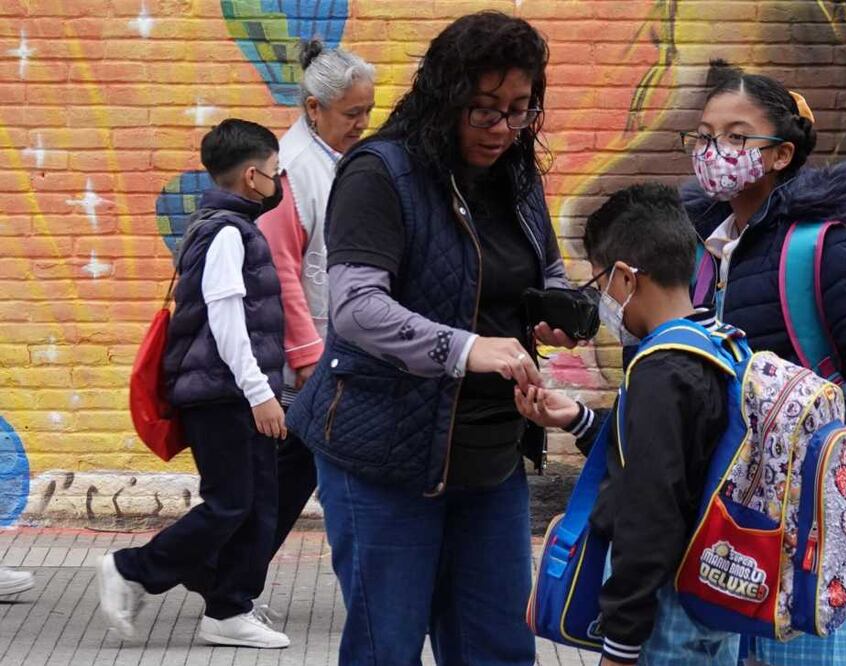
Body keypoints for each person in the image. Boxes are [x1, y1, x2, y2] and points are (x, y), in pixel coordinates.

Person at [286, 11, 574, 665]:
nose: (502, 128)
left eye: (519, 109)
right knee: (387, 648)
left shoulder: (519, 178)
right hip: (384, 457)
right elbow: (357, 308)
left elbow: (544, 272)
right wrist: (468, 347)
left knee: (498, 648)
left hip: (490, 457)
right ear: (444, 96)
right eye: (483, 110)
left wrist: (560, 310)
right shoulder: (380, 173)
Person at [680, 60, 846, 666]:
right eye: (706, 136)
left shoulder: (825, 245)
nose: (715, 151)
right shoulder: (700, 249)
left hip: (806, 515)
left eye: (736, 137)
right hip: (717, 508)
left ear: (781, 155)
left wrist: (821, 429)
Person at [516, 183, 739, 666]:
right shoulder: (720, 345)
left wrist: (620, 643)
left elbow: (649, 512)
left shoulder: (660, 369)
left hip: (664, 618)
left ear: (623, 277)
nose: (602, 300)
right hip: (712, 601)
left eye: (599, 284)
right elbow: (682, 459)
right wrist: (579, 420)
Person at [98, 119, 290, 649]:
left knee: (256, 503)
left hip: (230, 392)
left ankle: (229, 610)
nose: (280, 181)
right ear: (253, 176)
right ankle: (132, 567)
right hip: (224, 395)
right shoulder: (228, 232)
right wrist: (261, 394)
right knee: (230, 502)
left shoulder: (227, 225)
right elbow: (228, 319)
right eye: (277, 171)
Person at [257, 39, 375, 558]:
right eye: (352, 113)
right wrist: (305, 356)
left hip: (334, 351)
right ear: (313, 108)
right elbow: (280, 268)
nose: (362, 123)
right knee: (292, 478)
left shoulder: (335, 159)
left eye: (368, 111)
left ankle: (226, 581)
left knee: (294, 477)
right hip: (311, 360)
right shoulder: (296, 169)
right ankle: (207, 578)